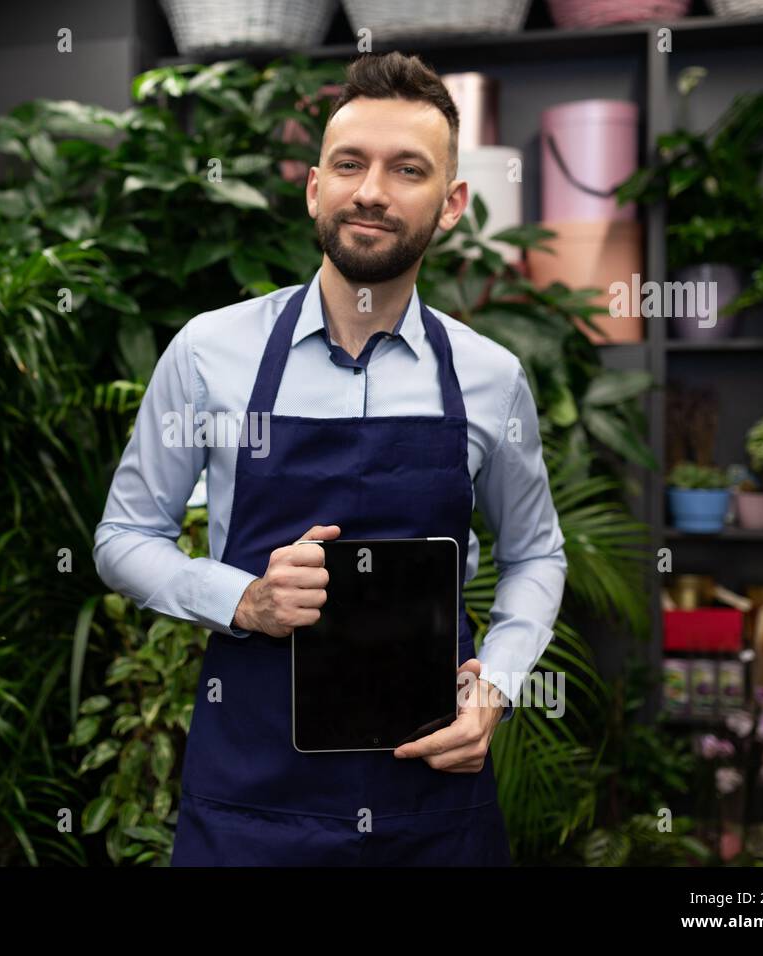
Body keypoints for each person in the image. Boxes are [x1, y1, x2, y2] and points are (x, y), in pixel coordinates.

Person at [93, 51, 567, 866]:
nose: (372, 190)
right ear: (315, 187)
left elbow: (535, 551)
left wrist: (496, 683)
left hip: (431, 799)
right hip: (252, 798)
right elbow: (124, 537)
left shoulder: (491, 377)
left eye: (407, 169)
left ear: (451, 205)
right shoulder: (210, 352)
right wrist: (244, 599)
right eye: (350, 164)